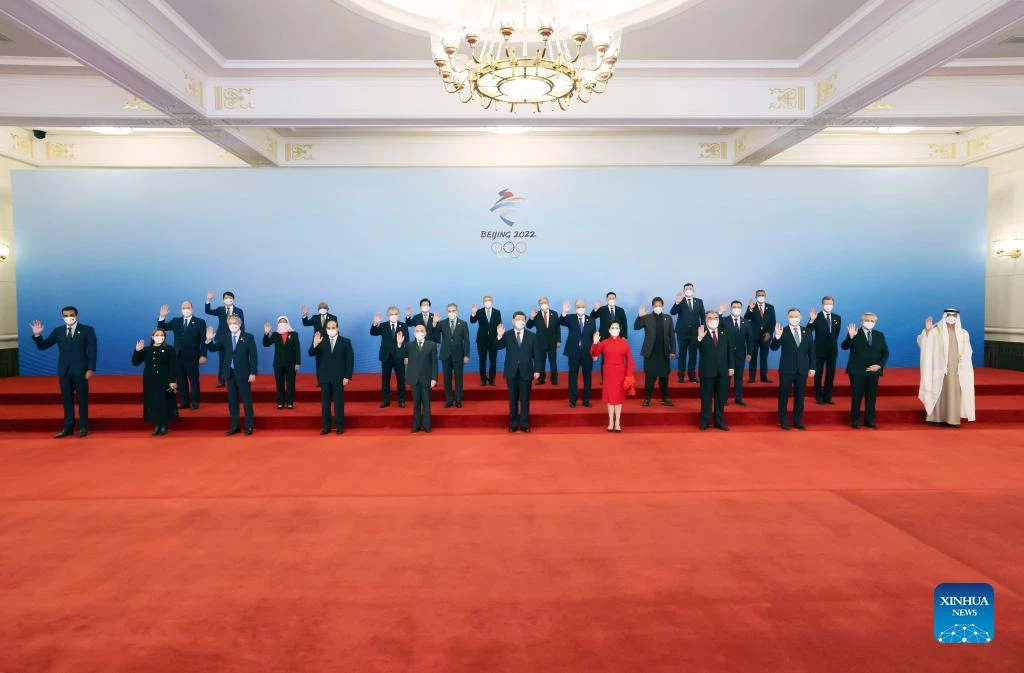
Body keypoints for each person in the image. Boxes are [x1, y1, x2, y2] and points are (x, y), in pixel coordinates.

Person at [30, 306, 97, 438]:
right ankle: (68, 428)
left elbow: (93, 350)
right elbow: (43, 346)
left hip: (81, 371)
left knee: (82, 400)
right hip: (64, 371)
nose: (68, 317)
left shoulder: (87, 330)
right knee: (67, 400)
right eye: (65, 315)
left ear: (76, 315)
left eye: (71, 315)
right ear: (62, 317)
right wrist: (37, 335)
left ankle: (83, 427)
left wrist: (91, 368)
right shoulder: (58, 331)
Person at [917, 309, 976, 427]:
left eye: (954, 315)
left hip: (956, 370)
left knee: (953, 392)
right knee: (938, 390)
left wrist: (963, 366)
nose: (951, 317)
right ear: (944, 316)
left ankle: (953, 419)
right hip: (939, 369)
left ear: (957, 317)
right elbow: (923, 343)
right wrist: (927, 331)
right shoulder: (936, 332)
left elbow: (968, 351)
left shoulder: (964, 333)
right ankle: (937, 418)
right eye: (949, 315)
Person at [205, 315, 257, 435]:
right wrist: (208, 340)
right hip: (229, 374)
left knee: (247, 401)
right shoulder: (224, 337)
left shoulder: (248, 337)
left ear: (239, 324)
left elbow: (253, 356)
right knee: (232, 401)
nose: (232, 325)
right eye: (230, 323)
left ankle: (249, 426)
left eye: (235, 323)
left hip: (244, 374)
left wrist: (253, 372)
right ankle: (235, 426)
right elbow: (213, 348)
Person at [842, 312, 889, 429]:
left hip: (873, 371)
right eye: (867, 320)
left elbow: (885, 353)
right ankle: (855, 420)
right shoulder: (855, 332)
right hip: (857, 371)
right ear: (862, 321)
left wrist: (879, 365)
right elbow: (844, 346)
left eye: (872, 321)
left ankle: (869, 420)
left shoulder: (879, 335)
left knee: (871, 397)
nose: (869, 322)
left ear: (875, 322)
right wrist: (850, 337)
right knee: (857, 396)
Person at [495, 312, 541, 432]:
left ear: (525, 321)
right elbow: (498, 346)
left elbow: (537, 355)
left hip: (526, 371)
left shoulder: (532, 336)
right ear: (513, 321)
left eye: (522, 319)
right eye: (517, 319)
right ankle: (513, 423)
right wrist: (499, 336)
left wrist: (537, 370)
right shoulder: (507, 335)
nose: (520, 321)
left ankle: (525, 424)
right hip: (511, 371)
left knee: (525, 400)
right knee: (513, 400)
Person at [770, 309, 815, 430]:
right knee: (783, 395)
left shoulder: (807, 331)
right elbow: (773, 348)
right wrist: (777, 337)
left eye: (796, 316)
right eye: (791, 316)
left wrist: (812, 367)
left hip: (802, 369)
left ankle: (797, 420)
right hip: (787, 369)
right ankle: (783, 420)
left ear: (800, 317)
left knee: (800, 396)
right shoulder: (782, 331)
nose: (794, 318)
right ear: (787, 317)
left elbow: (812, 351)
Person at [158, 300, 207, 409]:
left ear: (192, 309)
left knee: (193, 380)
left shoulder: (200, 322)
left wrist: (203, 355)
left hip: (193, 356)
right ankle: (185, 401)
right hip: (178, 356)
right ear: (181, 310)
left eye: (188, 307)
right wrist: (162, 316)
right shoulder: (176, 321)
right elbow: (162, 328)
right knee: (181, 380)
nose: (186, 310)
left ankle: (195, 402)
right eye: (183, 308)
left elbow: (203, 340)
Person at [309, 319, 354, 435]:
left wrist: (347, 376)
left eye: (333, 328)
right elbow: (311, 353)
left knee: (339, 402)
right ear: (326, 329)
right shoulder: (321, 341)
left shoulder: (345, 342)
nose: (331, 330)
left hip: (339, 377)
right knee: (325, 403)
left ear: (337, 328)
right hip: (325, 377)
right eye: (328, 328)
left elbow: (350, 360)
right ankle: (326, 426)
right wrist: (315, 343)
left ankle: (339, 426)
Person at [590, 321, 635, 432]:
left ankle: (618, 423)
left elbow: (630, 361)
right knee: (610, 399)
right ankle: (611, 422)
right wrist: (595, 343)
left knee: (618, 399)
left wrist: (628, 376)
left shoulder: (625, 343)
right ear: (609, 330)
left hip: (620, 373)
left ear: (619, 330)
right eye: (613, 327)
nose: (615, 329)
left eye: (617, 328)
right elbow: (595, 354)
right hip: (608, 373)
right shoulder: (604, 342)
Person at [131, 328, 178, 435]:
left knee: (164, 402)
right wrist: (137, 351)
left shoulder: (169, 349)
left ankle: (164, 425)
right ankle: (156, 424)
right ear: (153, 337)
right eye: (157, 335)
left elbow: (173, 367)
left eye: (162, 335)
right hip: (149, 380)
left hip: (164, 380)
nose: (159, 337)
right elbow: (135, 362)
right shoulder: (147, 349)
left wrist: (172, 381)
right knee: (153, 402)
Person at [633, 298, 676, 407]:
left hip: (664, 353)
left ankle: (665, 398)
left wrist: (673, 351)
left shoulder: (668, 318)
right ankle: (647, 398)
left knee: (664, 378)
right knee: (650, 378)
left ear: (663, 305)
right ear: (653, 306)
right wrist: (639, 316)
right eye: (656, 305)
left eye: (660, 305)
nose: (658, 307)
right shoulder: (647, 318)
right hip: (650, 353)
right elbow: (636, 327)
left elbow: (672, 336)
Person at [695, 311, 733, 431]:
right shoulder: (700, 331)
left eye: (715, 317)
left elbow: (730, 351)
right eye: (710, 318)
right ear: (705, 320)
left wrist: (731, 367)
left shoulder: (725, 332)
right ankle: (705, 422)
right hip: (707, 370)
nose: (713, 319)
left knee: (721, 398)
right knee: (706, 397)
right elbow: (692, 346)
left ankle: (719, 421)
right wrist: (699, 337)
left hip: (723, 371)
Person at [397, 324, 437, 433]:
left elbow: (434, 363)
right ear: (414, 333)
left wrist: (434, 378)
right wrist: (399, 344)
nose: (419, 332)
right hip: (414, 379)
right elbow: (401, 358)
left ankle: (427, 426)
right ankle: (416, 425)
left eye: (422, 330)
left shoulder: (431, 345)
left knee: (426, 403)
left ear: (425, 333)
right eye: (417, 331)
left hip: (427, 379)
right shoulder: (409, 345)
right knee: (416, 404)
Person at [559, 300, 596, 407]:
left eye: (582, 306)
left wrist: (595, 351)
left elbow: (594, 337)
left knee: (587, 376)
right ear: (575, 308)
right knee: (572, 376)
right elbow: (560, 322)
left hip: (587, 352)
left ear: (586, 307)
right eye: (578, 306)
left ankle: (586, 400)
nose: (581, 308)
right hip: (573, 351)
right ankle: (572, 400)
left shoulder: (592, 320)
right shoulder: (570, 318)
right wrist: (564, 312)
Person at [205, 290, 244, 388]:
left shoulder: (239, 311)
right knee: (222, 360)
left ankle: (237, 380)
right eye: (226, 298)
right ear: (223, 300)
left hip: (234, 338)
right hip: (221, 339)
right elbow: (208, 311)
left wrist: (241, 338)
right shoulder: (220, 309)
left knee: (236, 360)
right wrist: (208, 300)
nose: (228, 299)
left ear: (234, 299)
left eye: (230, 298)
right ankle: (222, 381)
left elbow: (242, 325)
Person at [370, 306, 408, 408]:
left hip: (399, 356)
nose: (393, 316)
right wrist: (375, 323)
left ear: (398, 315)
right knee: (385, 379)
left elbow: (407, 342)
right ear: (388, 315)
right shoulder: (383, 325)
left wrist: (406, 356)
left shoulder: (403, 325)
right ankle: (386, 401)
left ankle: (401, 400)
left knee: (401, 379)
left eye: (395, 314)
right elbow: (373, 333)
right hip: (386, 357)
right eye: (391, 314)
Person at [807, 296, 842, 405]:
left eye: (830, 304)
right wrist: (811, 320)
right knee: (818, 375)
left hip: (832, 351)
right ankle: (818, 396)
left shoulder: (837, 318)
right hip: (819, 350)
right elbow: (808, 331)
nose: (828, 306)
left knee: (830, 375)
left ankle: (828, 396)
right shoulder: (817, 316)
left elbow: (835, 335)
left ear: (833, 304)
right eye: (826, 304)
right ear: (822, 304)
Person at [262, 316, 301, 409]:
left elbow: (297, 349)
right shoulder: (275, 334)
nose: (282, 323)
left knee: (291, 383)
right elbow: (266, 344)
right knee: (279, 383)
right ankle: (280, 402)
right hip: (278, 363)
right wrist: (266, 333)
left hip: (291, 363)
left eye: (284, 321)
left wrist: (297, 362)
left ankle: (290, 402)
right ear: (278, 323)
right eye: (280, 321)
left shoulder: (294, 334)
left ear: (287, 322)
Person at [670, 282, 704, 383]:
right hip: (682, 332)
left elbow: (703, 315)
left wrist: (702, 326)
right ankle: (681, 376)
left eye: (690, 288)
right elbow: (672, 312)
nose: (689, 290)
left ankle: (692, 376)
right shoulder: (680, 301)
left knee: (693, 354)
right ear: (684, 291)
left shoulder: (699, 301)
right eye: (687, 288)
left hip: (695, 333)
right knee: (682, 354)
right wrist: (676, 302)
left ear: (693, 290)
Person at [719, 300, 752, 406]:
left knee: (739, 377)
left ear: (741, 309)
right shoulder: (724, 320)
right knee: (726, 378)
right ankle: (723, 399)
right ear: (731, 308)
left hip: (740, 355)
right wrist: (720, 313)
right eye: (734, 307)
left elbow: (749, 339)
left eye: (738, 307)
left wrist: (749, 353)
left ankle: (738, 398)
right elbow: (716, 326)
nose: (736, 309)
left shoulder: (746, 322)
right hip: (726, 355)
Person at [438, 303, 470, 407]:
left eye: (453, 310)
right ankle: (448, 400)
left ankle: (458, 400)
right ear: (447, 312)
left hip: (459, 355)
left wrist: (466, 355)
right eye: (449, 311)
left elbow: (467, 341)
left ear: (457, 311)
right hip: (445, 355)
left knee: (458, 379)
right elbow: (434, 334)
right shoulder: (441, 323)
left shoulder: (463, 324)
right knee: (447, 379)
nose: (451, 313)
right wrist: (434, 323)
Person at [301, 301, 337, 386]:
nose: (322, 309)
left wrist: (336, 341)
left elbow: (336, 329)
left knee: (330, 362)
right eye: (321, 307)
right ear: (318, 309)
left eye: (324, 307)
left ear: (327, 309)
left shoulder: (333, 317)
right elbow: (305, 323)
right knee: (319, 363)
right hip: (317, 343)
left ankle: (330, 380)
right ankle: (320, 381)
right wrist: (305, 315)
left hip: (329, 342)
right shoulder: (315, 317)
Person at [527, 296, 561, 385]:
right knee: (541, 362)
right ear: (539, 304)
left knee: (553, 361)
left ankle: (554, 379)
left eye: (545, 302)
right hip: (540, 343)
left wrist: (559, 340)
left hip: (552, 342)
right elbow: (528, 326)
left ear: (548, 303)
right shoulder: (536, 314)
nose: (544, 304)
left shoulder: (555, 313)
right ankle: (541, 379)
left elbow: (558, 328)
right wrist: (531, 317)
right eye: (542, 303)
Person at [745, 289, 776, 383]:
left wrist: (769, 333)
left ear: (765, 296)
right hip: (753, 336)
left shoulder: (770, 307)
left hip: (765, 337)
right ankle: (752, 377)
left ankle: (764, 377)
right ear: (756, 297)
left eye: (762, 295)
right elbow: (746, 318)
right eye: (758, 295)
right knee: (753, 357)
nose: (761, 296)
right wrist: (750, 309)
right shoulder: (752, 307)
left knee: (764, 357)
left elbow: (773, 322)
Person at [470, 296, 501, 386]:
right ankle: (483, 379)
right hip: (481, 340)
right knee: (482, 360)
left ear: (492, 302)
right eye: (485, 301)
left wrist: (499, 336)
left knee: (493, 360)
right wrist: (473, 313)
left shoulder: (497, 312)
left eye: (489, 300)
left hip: (493, 340)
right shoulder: (479, 311)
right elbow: (472, 321)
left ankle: (491, 379)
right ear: (483, 302)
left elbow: (499, 324)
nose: (487, 302)